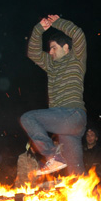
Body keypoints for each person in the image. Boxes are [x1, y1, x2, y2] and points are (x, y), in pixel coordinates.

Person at [20, 14, 87, 176]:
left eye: (54, 48)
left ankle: (52, 155)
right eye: (49, 48)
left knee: (28, 118)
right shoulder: (51, 65)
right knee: (76, 174)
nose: (50, 52)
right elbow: (33, 53)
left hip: (72, 114)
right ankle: (95, 198)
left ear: (66, 48)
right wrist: (38, 30)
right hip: (66, 127)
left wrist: (57, 22)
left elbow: (78, 35)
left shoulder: (76, 58)